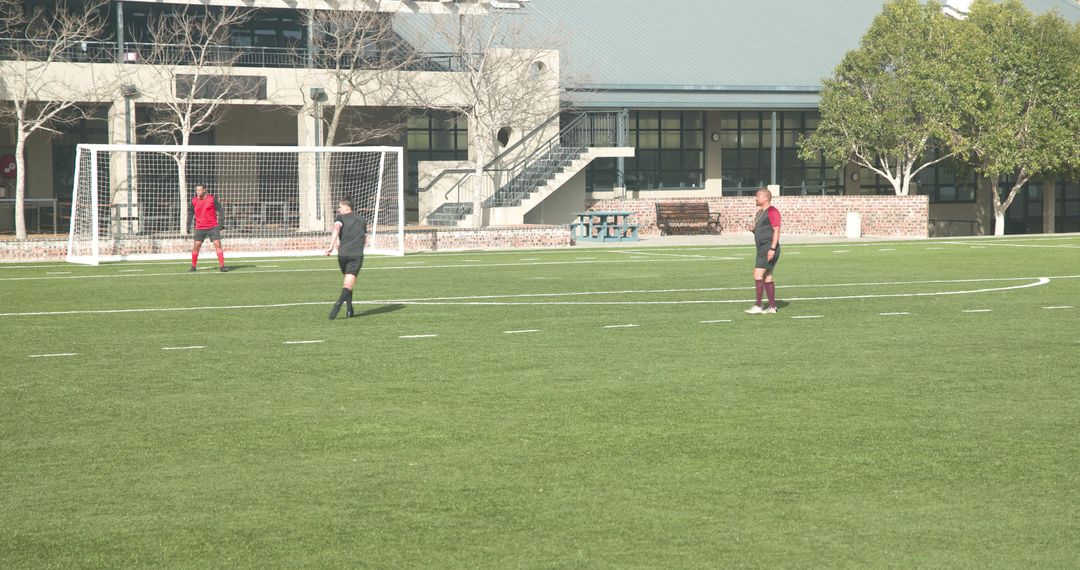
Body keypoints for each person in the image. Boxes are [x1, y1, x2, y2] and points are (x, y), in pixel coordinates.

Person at [325, 198, 367, 320]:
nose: (339, 209)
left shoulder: (340, 218)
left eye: (340, 207)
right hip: (356, 254)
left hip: (342, 254)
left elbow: (336, 229)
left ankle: (349, 309)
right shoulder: (362, 219)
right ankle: (338, 303)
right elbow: (364, 238)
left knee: (347, 281)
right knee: (348, 282)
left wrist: (331, 246)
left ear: (347, 207)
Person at [745, 188, 781, 315]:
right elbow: (764, 230)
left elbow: (776, 230)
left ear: (765, 198)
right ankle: (772, 307)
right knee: (767, 276)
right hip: (762, 248)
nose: (756, 198)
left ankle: (758, 305)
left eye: (758, 196)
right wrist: (754, 230)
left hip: (768, 247)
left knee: (757, 274)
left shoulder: (772, 211)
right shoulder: (760, 212)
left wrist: (772, 248)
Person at [186, 184, 227, 272]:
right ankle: (193, 266)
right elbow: (190, 212)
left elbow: (221, 210)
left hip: (212, 226)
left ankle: (222, 266)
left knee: (217, 245)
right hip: (200, 227)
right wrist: (188, 225)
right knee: (196, 246)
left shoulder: (211, 199)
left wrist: (220, 222)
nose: (198, 192)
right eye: (197, 190)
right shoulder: (194, 201)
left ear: (204, 190)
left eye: (200, 190)